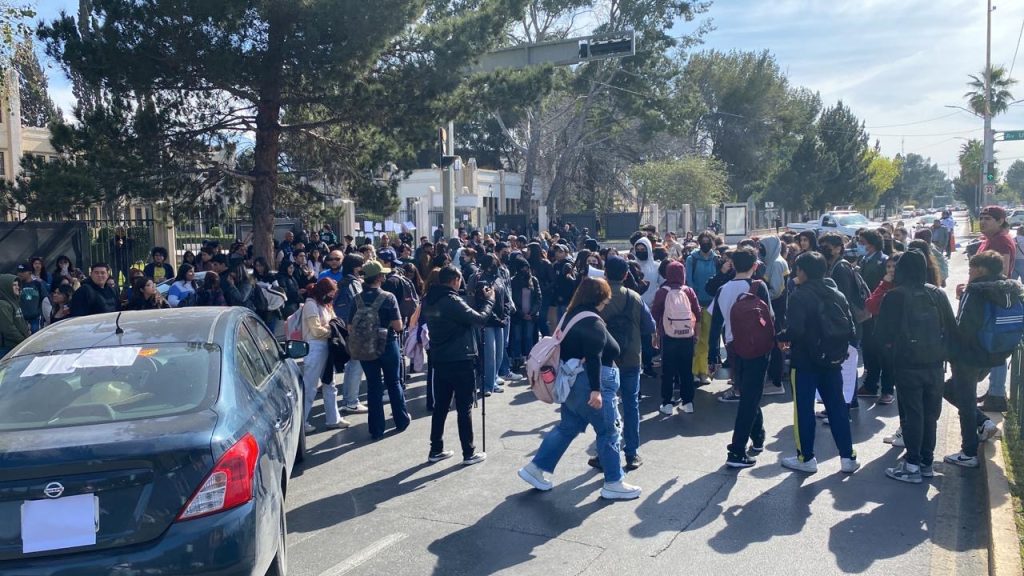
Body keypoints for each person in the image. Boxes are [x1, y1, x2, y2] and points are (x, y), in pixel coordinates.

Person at [517, 277, 641, 500]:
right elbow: (593, 357)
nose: (607, 300)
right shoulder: (591, 321)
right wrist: (596, 390)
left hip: (575, 383)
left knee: (567, 427)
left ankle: (536, 468)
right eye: (605, 296)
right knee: (609, 431)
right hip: (592, 383)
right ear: (598, 297)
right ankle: (614, 481)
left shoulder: (571, 316)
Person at [875, 249, 957, 483]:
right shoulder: (937, 294)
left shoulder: (895, 295)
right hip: (934, 363)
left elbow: (881, 334)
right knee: (931, 414)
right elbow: (951, 328)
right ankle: (926, 462)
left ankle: (911, 465)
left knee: (912, 414)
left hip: (907, 363)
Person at [778, 251, 860, 474]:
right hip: (833, 360)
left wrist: (779, 337)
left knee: (803, 409)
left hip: (805, 361)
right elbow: (851, 328)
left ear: (801, 271)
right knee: (837, 408)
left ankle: (806, 458)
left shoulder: (800, 295)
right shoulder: (837, 294)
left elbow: (795, 330)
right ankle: (848, 457)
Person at [944, 251, 1024, 468]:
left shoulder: (975, 291)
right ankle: (984, 423)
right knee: (951, 389)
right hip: (995, 353)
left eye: (971, 269)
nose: (969, 273)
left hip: (968, 355)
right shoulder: (1010, 289)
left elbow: (964, 327)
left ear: (980, 269)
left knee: (966, 402)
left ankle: (968, 452)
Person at [707, 246, 774, 468]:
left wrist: (712, 354)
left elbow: (715, 323)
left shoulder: (722, 289)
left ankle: (758, 436)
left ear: (733, 264)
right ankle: (736, 450)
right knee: (749, 397)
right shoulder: (758, 286)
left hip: (733, 346)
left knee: (747, 392)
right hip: (757, 347)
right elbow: (770, 316)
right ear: (755, 265)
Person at [422, 265, 494, 465]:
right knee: (464, 407)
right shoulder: (451, 300)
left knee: (441, 407)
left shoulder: (430, 299)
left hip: (440, 358)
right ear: (454, 280)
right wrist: (489, 301)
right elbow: (479, 319)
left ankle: (436, 449)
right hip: (460, 358)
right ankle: (468, 452)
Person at [600, 256, 654, 470]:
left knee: (606, 406)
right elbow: (649, 326)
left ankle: (605, 450)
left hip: (605, 359)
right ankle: (631, 453)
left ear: (605, 272)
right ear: (625, 275)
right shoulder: (634, 297)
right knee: (631, 405)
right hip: (631, 356)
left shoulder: (598, 297)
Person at [349, 261, 410, 440]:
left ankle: (376, 428)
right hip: (388, 344)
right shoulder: (388, 297)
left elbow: (350, 326)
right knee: (394, 383)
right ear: (378, 277)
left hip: (365, 347)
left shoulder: (357, 299)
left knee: (373, 386)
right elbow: (398, 326)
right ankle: (401, 420)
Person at [974, 206, 1016, 412]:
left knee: (996, 348)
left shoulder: (1000, 241)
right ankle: (994, 391)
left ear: (1001, 221)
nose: (983, 222)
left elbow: (1002, 272)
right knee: (990, 347)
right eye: (981, 218)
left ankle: (997, 395)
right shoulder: (990, 240)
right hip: (987, 299)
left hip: (994, 302)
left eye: (988, 219)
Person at [651, 261, 701, 415]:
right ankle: (688, 403)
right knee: (686, 370)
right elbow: (697, 314)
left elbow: (654, 315)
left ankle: (667, 403)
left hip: (668, 335)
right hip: (687, 336)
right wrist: (696, 334)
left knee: (668, 370)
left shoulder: (662, 292)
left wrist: (655, 335)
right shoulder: (689, 291)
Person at [301, 278, 350, 433]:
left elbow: (333, 321)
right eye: (330, 293)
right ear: (323, 292)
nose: (332, 296)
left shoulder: (325, 304)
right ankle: (301, 422)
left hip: (326, 346)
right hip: (314, 347)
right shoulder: (311, 305)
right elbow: (315, 330)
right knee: (310, 387)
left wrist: (331, 330)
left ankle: (333, 418)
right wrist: (333, 331)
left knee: (330, 384)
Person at [468, 254, 512, 395]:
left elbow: (505, 299)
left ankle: (493, 379)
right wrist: (497, 318)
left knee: (499, 353)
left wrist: (505, 315)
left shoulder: (499, 279)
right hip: (488, 323)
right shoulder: (482, 281)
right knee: (490, 355)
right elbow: (483, 303)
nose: (495, 267)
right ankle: (487, 385)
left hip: (500, 321)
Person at [686, 232, 721, 384]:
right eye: (703, 241)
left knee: (706, 340)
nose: (706, 244)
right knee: (695, 339)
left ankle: (703, 371)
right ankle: (692, 370)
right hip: (696, 304)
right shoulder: (691, 259)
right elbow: (689, 282)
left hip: (712, 304)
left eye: (709, 241)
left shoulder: (717, 259)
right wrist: (694, 303)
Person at [0, 274, 30, 356]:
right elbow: (8, 329)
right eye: (14, 285)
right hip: (8, 349)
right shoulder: (3, 304)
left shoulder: (14, 301)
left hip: (17, 346)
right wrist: (24, 341)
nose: (18, 287)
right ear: (5, 287)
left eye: (18, 285)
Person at [15, 262, 47, 333]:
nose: (20, 274)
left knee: (35, 337)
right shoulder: (17, 285)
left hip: (36, 318)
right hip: (21, 319)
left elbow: (45, 299)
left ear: (30, 272)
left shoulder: (38, 284)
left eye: (23, 271)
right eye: (19, 271)